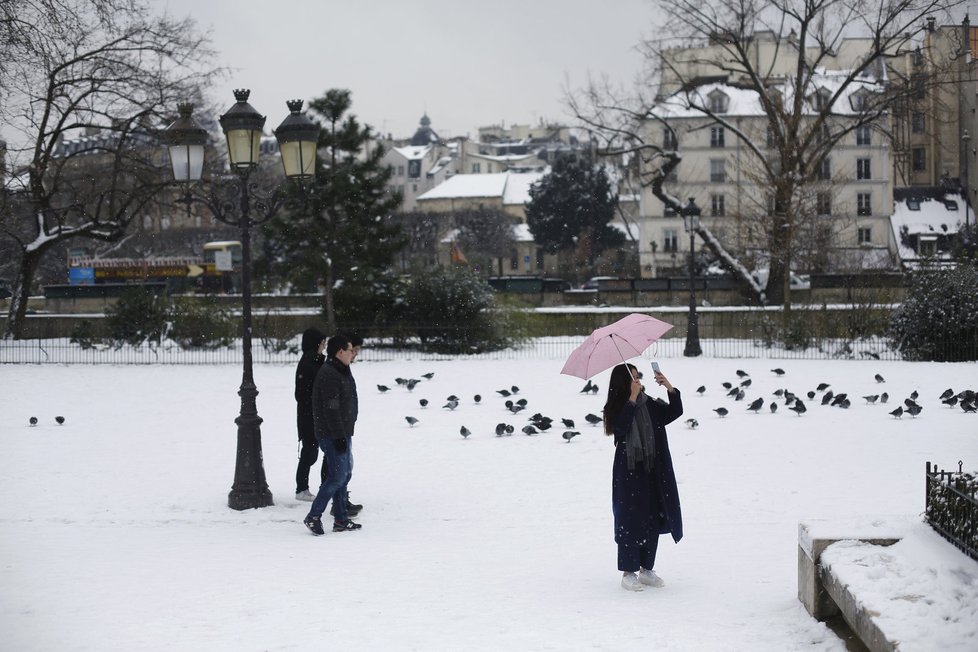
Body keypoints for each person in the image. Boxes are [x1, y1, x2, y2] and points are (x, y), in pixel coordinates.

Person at [603, 363, 684, 591]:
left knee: (652, 517)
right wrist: (631, 399)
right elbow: (619, 429)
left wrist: (668, 386)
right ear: (623, 383)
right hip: (628, 472)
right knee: (630, 519)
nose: (637, 382)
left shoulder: (650, 404)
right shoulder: (617, 406)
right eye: (633, 378)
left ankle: (647, 569)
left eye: (638, 377)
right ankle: (628, 572)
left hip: (652, 469)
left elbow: (675, 412)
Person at [304, 335, 362, 535]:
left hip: (342, 431)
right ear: (340, 352)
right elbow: (331, 409)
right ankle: (314, 516)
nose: (353, 353)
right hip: (332, 434)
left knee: (343, 475)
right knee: (337, 476)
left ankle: (340, 520)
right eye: (350, 350)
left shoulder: (341, 369)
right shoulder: (330, 373)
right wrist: (338, 436)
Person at [294, 328, 326, 502]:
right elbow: (301, 393)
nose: (324, 345)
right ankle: (301, 488)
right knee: (309, 451)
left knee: (311, 450)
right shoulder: (308, 362)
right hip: (309, 415)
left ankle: (303, 487)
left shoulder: (314, 361)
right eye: (322, 342)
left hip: (311, 414)